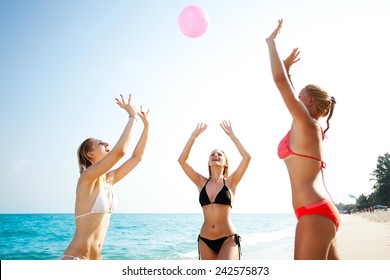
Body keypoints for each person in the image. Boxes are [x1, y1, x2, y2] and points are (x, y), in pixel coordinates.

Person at [266, 19, 339, 260]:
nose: (295, 99)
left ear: (309, 102)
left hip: (314, 213)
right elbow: (285, 82)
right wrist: (287, 69)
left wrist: (271, 43)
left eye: (300, 96)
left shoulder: (307, 124)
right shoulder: (307, 125)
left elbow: (279, 83)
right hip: (318, 212)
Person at [61, 94, 149, 260]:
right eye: (101, 143)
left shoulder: (109, 180)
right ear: (90, 153)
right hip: (76, 260)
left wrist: (146, 127)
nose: (106, 144)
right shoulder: (87, 178)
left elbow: (137, 157)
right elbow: (120, 152)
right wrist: (132, 117)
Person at [178, 121, 251, 260]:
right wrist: (193, 137)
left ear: (225, 163)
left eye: (219, 154)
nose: (215, 155)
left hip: (227, 239)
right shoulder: (201, 182)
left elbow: (247, 158)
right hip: (205, 240)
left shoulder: (231, 182)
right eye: (212, 154)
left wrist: (232, 136)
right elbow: (182, 160)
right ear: (208, 162)